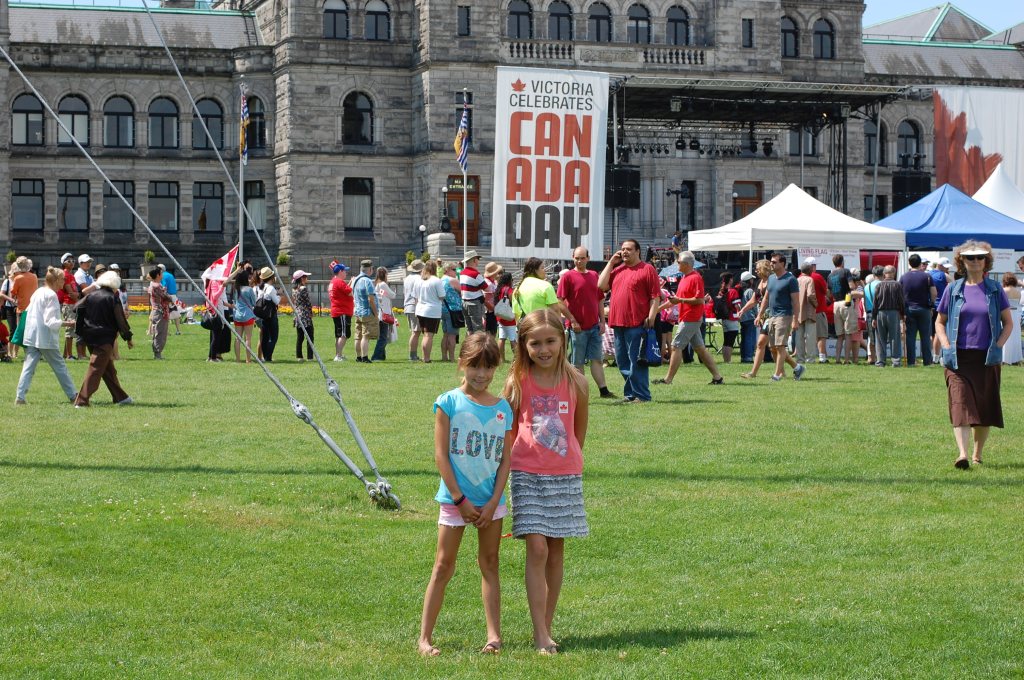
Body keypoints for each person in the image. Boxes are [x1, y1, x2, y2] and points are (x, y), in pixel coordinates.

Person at [417, 332, 512, 658]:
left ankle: (494, 637)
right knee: (443, 565)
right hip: (454, 501)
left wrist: (494, 502)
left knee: (490, 563)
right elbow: (441, 455)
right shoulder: (448, 403)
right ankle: (424, 638)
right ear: (461, 363)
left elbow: (505, 460)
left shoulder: (503, 409)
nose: (481, 374)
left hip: (490, 504)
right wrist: (459, 500)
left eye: (488, 367)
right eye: (475, 366)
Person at [502, 309, 588, 655]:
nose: (543, 349)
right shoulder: (516, 381)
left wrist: (567, 461)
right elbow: (508, 432)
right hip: (526, 473)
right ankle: (540, 633)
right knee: (537, 547)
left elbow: (578, 432)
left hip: (564, 475)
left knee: (555, 549)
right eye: (535, 343)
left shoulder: (577, 382)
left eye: (550, 341)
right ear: (523, 345)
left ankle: (546, 626)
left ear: (562, 341)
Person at [935, 241, 1013, 469]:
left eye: (980, 257)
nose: (976, 261)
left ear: (986, 261)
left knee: (984, 407)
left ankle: (977, 454)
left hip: (987, 359)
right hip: (958, 359)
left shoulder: (995, 289)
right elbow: (939, 322)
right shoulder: (953, 289)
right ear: (962, 261)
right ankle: (962, 454)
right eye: (971, 257)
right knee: (960, 403)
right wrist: (946, 344)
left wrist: (998, 345)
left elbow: (1008, 323)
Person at [599, 240, 661, 403]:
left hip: (637, 322)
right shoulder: (618, 269)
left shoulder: (647, 269)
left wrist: (651, 317)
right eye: (622, 249)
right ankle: (630, 394)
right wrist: (611, 263)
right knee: (622, 362)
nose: (624, 252)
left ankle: (642, 395)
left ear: (638, 251)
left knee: (636, 361)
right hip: (617, 322)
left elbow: (655, 297)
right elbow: (601, 285)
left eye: (628, 249)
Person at [655, 251, 724, 386]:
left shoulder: (695, 278)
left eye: (678, 262)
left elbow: (699, 300)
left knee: (675, 346)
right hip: (687, 317)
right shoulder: (684, 278)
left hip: (691, 318)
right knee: (700, 349)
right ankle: (718, 377)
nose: (677, 264)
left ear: (686, 264)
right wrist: (656, 310)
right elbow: (675, 300)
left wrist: (680, 300)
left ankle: (668, 379)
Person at [557, 246, 615, 398]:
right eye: (577, 258)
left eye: (582, 258)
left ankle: (604, 390)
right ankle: (580, 393)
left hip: (594, 326)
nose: (579, 261)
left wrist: (602, 321)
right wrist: (572, 320)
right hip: (577, 328)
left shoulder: (594, 275)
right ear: (573, 258)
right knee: (578, 363)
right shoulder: (567, 276)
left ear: (588, 258)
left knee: (597, 359)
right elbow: (559, 301)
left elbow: (600, 299)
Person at [15, 267, 78, 404]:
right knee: (60, 367)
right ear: (56, 280)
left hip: (32, 335)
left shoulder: (38, 291)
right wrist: (68, 323)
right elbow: (50, 321)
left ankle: (20, 397)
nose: (64, 282)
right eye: (62, 279)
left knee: (28, 367)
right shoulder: (51, 295)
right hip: (45, 338)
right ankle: (73, 395)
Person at [73, 270, 134, 407]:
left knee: (108, 370)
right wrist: (128, 338)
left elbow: (77, 307)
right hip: (105, 338)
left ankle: (121, 398)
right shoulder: (112, 298)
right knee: (95, 368)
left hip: (89, 336)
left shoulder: (91, 295)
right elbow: (121, 321)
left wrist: (81, 328)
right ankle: (82, 401)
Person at [755, 253, 805, 381]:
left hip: (784, 316)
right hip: (772, 316)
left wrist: (795, 320)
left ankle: (777, 375)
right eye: (771, 262)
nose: (771, 264)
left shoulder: (791, 279)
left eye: (774, 262)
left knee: (780, 346)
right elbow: (766, 298)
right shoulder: (771, 278)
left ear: (782, 263)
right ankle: (797, 367)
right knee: (773, 348)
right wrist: (759, 315)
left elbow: (796, 302)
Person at [512, 257, 576, 325]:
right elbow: (555, 310)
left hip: (526, 327)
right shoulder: (546, 286)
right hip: (544, 327)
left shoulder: (517, 289)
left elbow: (516, 314)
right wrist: (560, 327)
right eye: (542, 268)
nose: (544, 271)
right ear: (534, 270)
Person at [900, 253, 937, 366]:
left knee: (910, 336)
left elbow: (900, 294)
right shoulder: (927, 276)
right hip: (924, 308)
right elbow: (934, 293)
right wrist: (931, 305)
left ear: (909, 263)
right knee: (925, 336)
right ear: (920, 263)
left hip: (909, 309)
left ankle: (911, 361)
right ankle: (927, 361)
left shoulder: (903, 277)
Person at [872, 265, 905, 367]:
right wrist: (903, 314)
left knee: (880, 338)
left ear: (884, 274)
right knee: (895, 338)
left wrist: (874, 317)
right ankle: (896, 361)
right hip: (893, 313)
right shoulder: (897, 285)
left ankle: (880, 361)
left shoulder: (879, 285)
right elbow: (901, 301)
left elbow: (875, 303)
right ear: (894, 273)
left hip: (880, 313)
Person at [415, 261, 447, 363]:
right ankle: (426, 358)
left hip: (420, 309)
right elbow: (442, 296)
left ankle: (424, 356)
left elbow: (415, 296)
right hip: (432, 311)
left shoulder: (419, 280)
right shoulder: (436, 280)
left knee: (425, 335)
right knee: (429, 335)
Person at [828, 254, 856, 364]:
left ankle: (837, 359)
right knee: (848, 333)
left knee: (839, 335)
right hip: (846, 301)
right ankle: (847, 360)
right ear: (842, 262)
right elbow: (852, 286)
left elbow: (828, 293)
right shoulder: (846, 271)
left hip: (836, 304)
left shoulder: (830, 275)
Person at [8, 256, 38, 359]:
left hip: (21, 309)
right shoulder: (34, 276)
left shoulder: (18, 278)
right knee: (31, 332)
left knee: (19, 332)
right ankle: (30, 353)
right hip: (33, 308)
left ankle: (15, 354)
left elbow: (12, 294)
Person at [351, 259, 379, 363]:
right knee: (366, 336)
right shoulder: (368, 281)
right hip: (367, 312)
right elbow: (371, 299)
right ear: (370, 269)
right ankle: (365, 357)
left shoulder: (355, 280)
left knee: (358, 336)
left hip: (358, 311)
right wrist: (376, 313)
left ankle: (358, 357)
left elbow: (352, 294)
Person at [794, 261, 819, 364]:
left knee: (799, 336)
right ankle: (810, 359)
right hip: (809, 311)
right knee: (810, 336)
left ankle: (800, 358)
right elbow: (810, 295)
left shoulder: (797, 280)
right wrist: (816, 304)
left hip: (798, 311)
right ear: (809, 270)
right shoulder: (809, 279)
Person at [57, 253, 80, 361]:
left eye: (73, 261)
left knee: (71, 328)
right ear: (63, 263)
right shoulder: (65, 274)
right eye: (69, 261)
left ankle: (65, 354)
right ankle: (69, 355)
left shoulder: (71, 275)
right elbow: (71, 293)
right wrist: (78, 297)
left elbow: (75, 293)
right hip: (68, 304)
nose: (72, 263)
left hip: (73, 303)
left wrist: (77, 295)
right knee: (70, 328)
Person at [371, 266, 397, 362]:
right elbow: (392, 295)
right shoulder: (383, 284)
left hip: (380, 313)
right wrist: (393, 292)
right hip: (384, 313)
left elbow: (383, 295)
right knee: (383, 337)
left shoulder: (377, 284)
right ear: (385, 275)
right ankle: (376, 356)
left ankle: (381, 355)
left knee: (382, 335)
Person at [328, 261, 353, 361]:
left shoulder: (333, 282)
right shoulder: (339, 282)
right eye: (345, 271)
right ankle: (338, 356)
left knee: (339, 335)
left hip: (337, 311)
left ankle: (338, 355)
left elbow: (345, 290)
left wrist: (350, 283)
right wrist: (353, 282)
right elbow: (350, 292)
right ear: (340, 272)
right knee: (343, 334)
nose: (346, 273)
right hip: (342, 311)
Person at [440, 262, 464, 362]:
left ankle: (444, 356)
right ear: (447, 270)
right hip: (453, 310)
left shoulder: (441, 280)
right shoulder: (453, 280)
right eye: (454, 269)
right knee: (452, 335)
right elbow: (463, 292)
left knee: (445, 334)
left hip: (443, 309)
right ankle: (452, 357)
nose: (456, 271)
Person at [458, 250, 487, 333]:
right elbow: (486, 288)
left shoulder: (462, 273)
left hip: (464, 302)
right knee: (478, 329)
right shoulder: (475, 274)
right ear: (474, 260)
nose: (478, 261)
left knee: (469, 329)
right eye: (478, 258)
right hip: (475, 303)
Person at [232, 270, 257, 363]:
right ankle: (248, 360)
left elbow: (235, 301)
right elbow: (254, 303)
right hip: (248, 315)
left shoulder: (236, 289)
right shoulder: (249, 289)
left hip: (238, 316)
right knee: (248, 338)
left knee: (237, 338)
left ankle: (238, 359)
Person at [255, 267, 280, 362]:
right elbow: (276, 301)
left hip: (262, 315)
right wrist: (279, 294)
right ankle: (268, 356)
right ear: (271, 277)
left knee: (265, 336)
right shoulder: (270, 288)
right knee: (273, 336)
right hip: (271, 314)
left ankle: (265, 356)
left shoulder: (259, 287)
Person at [147, 267, 172, 360]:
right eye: (161, 273)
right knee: (160, 333)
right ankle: (157, 354)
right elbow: (166, 297)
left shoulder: (153, 284)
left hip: (157, 311)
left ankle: (157, 353)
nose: (162, 275)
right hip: (160, 312)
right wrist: (170, 297)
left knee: (158, 332)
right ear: (158, 275)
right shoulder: (156, 286)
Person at [403, 260, 424, 361]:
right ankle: (413, 355)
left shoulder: (407, 278)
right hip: (414, 306)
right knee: (416, 332)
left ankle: (413, 355)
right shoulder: (419, 279)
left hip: (408, 306)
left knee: (415, 331)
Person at [292, 269, 315, 362]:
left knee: (300, 337)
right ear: (301, 278)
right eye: (305, 277)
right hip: (305, 314)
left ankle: (299, 356)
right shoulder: (303, 289)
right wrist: (311, 312)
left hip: (297, 314)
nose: (307, 278)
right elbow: (308, 302)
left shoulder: (294, 290)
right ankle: (310, 357)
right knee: (310, 336)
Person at [494, 272, 517, 362]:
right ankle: (517, 359)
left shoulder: (499, 289)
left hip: (501, 316)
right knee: (513, 339)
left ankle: (501, 358)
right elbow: (512, 302)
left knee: (501, 338)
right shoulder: (509, 290)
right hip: (509, 317)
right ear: (509, 280)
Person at [1001, 273, 1022, 365]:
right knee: (1015, 336)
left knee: (1005, 334)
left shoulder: (1003, 290)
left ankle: (1004, 357)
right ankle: (1015, 358)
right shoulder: (1018, 292)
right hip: (1015, 315)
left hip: (1006, 314)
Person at [737, 271, 757, 363]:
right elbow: (754, 304)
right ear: (750, 280)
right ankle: (749, 357)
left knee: (744, 338)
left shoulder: (741, 291)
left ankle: (744, 356)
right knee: (750, 338)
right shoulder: (750, 291)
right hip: (750, 317)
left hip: (743, 318)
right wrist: (757, 314)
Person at [158, 264, 182, 335]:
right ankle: (178, 331)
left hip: (168, 296)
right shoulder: (170, 275)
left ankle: (167, 331)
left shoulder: (162, 275)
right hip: (174, 295)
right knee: (176, 314)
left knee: (166, 314)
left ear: (160, 269)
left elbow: (164, 287)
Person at [483, 262, 502, 336]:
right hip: (489, 312)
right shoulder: (488, 284)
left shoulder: (493, 282)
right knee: (490, 334)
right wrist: (494, 309)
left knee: (492, 332)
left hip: (492, 311)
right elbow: (485, 300)